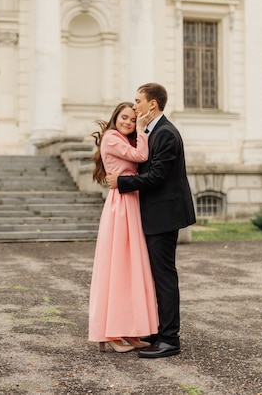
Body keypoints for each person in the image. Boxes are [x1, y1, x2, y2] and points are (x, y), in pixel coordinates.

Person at [106, 83, 196, 359]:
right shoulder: (149, 131)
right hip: (152, 214)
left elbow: (157, 176)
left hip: (164, 215)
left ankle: (170, 339)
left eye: (137, 101)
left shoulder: (166, 133)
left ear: (152, 105)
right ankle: (157, 332)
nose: (134, 107)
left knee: (164, 277)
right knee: (155, 276)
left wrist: (120, 182)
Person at [88, 101, 159, 353]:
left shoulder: (124, 139)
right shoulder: (111, 138)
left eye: (133, 119)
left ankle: (130, 330)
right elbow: (141, 156)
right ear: (115, 118)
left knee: (132, 268)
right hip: (122, 205)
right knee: (119, 266)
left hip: (132, 201)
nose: (129, 122)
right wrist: (141, 127)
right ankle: (112, 332)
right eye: (125, 118)